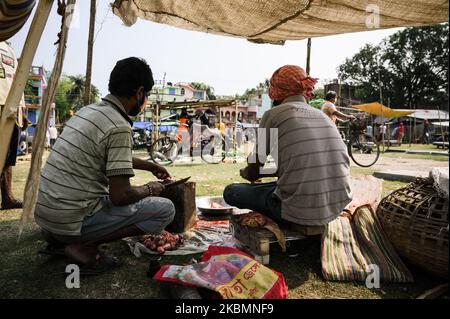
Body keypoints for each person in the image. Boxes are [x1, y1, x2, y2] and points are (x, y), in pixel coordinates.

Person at [35, 57, 175, 273]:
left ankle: (60, 239)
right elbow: (120, 197)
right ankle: (84, 245)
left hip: (47, 217)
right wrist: (150, 188)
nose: (145, 100)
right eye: (146, 95)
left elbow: (103, 156)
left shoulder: (88, 112)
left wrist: (148, 165)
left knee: (95, 202)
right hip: (71, 221)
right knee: (165, 209)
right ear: (139, 93)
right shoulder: (118, 126)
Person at [223, 65, 352, 227]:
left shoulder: (273, 114)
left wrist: (247, 172)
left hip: (298, 210)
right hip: (336, 206)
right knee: (275, 186)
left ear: (276, 93)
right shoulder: (323, 116)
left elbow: (255, 170)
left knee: (231, 191)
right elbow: (301, 168)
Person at [0, 41, 28, 210]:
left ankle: (7, 197)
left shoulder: (9, 48)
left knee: (9, 157)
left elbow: (19, 78)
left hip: (12, 108)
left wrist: (23, 107)